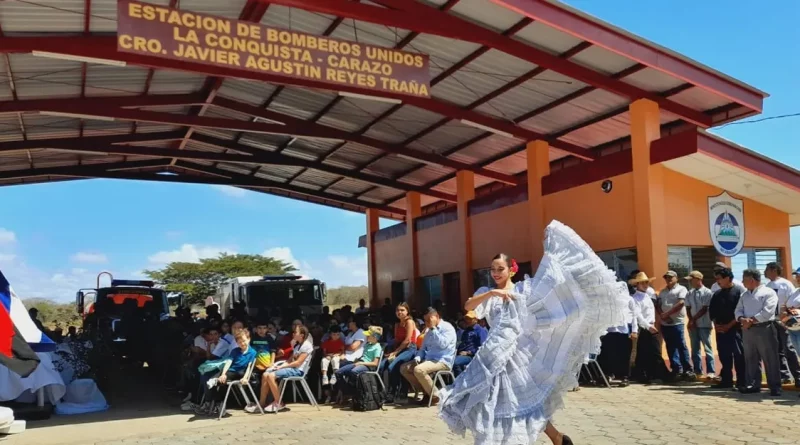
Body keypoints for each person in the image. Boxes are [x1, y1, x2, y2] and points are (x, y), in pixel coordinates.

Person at [439, 222, 630, 445]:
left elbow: (546, 305)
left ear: (511, 269)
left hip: (519, 353)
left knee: (519, 401)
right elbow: (468, 306)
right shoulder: (487, 292)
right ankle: (553, 438)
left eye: (500, 269)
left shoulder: (522, 290)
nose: (495, 273)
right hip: (493, 353)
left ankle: (552, 438)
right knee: (491, 400)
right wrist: (492, 293)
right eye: (492, 269)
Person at [735, 268, 781, 396]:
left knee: (770, 358)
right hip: (748, 329)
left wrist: (752, 320)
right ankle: (753, 384)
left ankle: (775, 386)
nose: (742, 282)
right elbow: (738, 310)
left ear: (751, 280)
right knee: (750, 358)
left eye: (744, 280)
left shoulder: (768, 292)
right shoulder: (744, 295)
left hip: (764, 328)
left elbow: (768, 311)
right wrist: (742, 319)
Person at [248, 325, 314, 413]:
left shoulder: (307, 345)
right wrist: (278, 366)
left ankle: (279, 402)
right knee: (265, 374)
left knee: (271, 376)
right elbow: (289, 360)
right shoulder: (297, 346)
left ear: (301, 335)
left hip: (298, 370)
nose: (293, 334)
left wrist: (282, 367)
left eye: (295, 332)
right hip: (290, 368)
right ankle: (262, 403)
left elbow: (298, 363)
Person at [400, 307, 456, 406]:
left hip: (442, 361)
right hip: (429, 360)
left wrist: (433, 329)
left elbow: (443, 344)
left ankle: (435, 396)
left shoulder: (447, 328)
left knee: (419, 370)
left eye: (429, 320)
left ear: (437, 316)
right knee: (404, 368)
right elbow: (422, 349)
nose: (426, 323)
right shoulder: (429, 331)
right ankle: (427, 392)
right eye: (425, 320)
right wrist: (417, 358)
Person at [195, 329, 256, 415]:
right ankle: (217, 399)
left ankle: (217, 401)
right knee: (219, 379)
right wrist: (223, 374)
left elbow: (250, 366)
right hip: (232, 371)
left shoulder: (252, 352)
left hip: (241, 372)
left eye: (244, 341)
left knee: (220, 381)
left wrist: (246, 377)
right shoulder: (235, 351)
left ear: (249, 339)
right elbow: (229, 362)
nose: (242, 344)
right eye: (239, 342)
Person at [708, 268, 745, 390]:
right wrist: (717, 325)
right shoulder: (717, 294)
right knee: (724, 355)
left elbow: (741, 311)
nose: (717, 281)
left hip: (735, 329)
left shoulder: (739, 292)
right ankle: (727, 381)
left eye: (719, 278)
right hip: (720, 330)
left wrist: (729, 325)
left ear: (728, 278)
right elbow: (712, 312)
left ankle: (741, 382)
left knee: (739, 356)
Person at [764, 262, 800, 386]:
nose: (765, 272)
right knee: (777, 349)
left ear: (774, 270)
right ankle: (785, 375)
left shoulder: (786, 284)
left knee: (789, 349)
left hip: (787, 323)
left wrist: (787, 315)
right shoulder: (767, 285)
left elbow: (792, 302)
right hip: (772, 321)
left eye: (767, 269)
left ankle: (797, 375)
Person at [630, 272, 668, 384]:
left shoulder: (647, 296)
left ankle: (649, 375)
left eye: (646, 282)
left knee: (648, 352)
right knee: (651, 351)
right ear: (637, 284)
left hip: (650, 326)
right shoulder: (634, 298)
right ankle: (653, 375)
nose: (645, 285)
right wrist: (648, 326)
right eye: (642, 283)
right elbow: (637, 315)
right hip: (645, 328)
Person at [657, 271, 695, 380]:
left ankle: (687, 369)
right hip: (665, 323)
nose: (668, 279)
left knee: (681, 345)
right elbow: (658, 305)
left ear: (676, 278)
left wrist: (667, 314)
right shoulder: (663, 291)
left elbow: (681, 303)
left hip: (677, 322)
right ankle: (676, 369)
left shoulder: (682, 289)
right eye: (666, 277)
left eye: (670, 277)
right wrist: (662, 315)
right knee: (670, 346)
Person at [380, 302, 418, 404]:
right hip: (399, 349)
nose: (399, 312)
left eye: (402, 310)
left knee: (393, 366)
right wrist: (391, 352)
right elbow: (397, 340)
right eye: (398, 310)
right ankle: (383, 391)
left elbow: (407, 340)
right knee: (383, 365)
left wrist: (396, 353)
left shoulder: (409, 322)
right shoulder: (397, 324)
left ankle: (396, 393)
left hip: (410, 349)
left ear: (407, 311)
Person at [598, 292, 637, 387]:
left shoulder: (629, 299)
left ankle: (625, 377)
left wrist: (634, 330)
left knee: (624, 355)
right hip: (609, 330)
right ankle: (608, 375)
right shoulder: (608, 298)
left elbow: (634, 315)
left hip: (623, 331)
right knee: (608, 354)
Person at [684, 271, 715, 378]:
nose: (690, 282)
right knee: (695, 348)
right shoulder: (689, 293)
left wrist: (693, 320)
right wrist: (690, 320)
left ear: (698, 279)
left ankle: (711, 371)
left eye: (691, 280)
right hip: (693, 325)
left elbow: (704, 308)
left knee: (707, 348)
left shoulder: (708, 292)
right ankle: (698, 371)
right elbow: (688, 308)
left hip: (704, 323)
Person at [452, 311, 487, 377]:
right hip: (460, 354)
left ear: (476, 320)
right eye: (466, 318)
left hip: (472, 356)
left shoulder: (480, 330)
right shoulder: (466, 331)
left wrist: (469, 352)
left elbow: (483, 347)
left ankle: (460, 383)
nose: (467, 320)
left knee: (455, 363)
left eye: (470, 319)